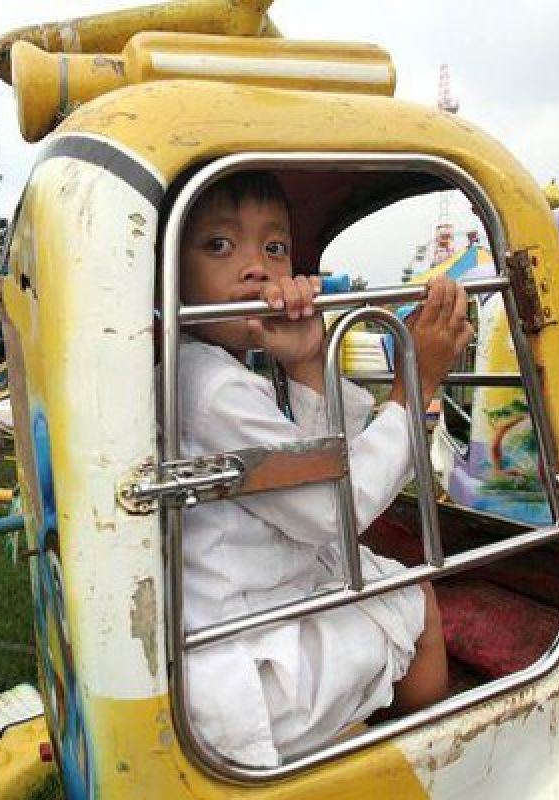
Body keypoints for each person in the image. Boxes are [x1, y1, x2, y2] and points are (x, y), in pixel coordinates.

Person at [176, 170, 473, 766]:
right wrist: (417, 384)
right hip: (241, 672)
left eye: (275, 248)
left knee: (378, 573)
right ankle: (437, 756)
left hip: (251, 607)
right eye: (219, 245)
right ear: (170, 273)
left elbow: (310, 476)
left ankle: (381, 721)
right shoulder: (209, 386)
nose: (257, 267)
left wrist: (309, 361)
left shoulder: (207, 369)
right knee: (414, 599)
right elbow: (337, 509)